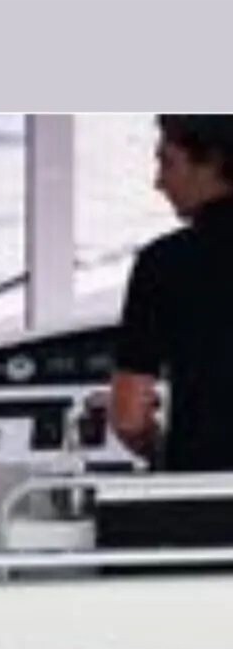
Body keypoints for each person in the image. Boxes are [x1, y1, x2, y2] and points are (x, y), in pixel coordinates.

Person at [109, 115, 233, 496]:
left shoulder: (163, 264)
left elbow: (129, 419)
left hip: (205, 498)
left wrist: (160, 451)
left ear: (212, 163)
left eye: (167, 163)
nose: (159, 182)